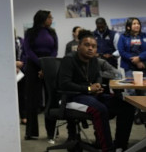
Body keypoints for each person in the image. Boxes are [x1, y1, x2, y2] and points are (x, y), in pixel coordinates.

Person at [59, 30, 134, 152]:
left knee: (126, 106)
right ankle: (107, 149)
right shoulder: (68, 59)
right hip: (72, 97)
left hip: (90, 96)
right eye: (87, 45)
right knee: (100, 109)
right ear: (78, 47)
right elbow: (65, 84)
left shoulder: (93, 60)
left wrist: (98, 85)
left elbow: (98, 75)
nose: (90, 49)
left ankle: (120, 145)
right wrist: (89, 88)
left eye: (93, 46)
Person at [23, 10, 57, 142]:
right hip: (33, 66)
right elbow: (28, 50)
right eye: (49, 17)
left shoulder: (52, 32)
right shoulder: (30, 32)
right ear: (42, 18)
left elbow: (55, 49)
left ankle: (52, 132)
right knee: (32, 100)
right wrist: (40, 64)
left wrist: (47, 65)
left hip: (49, 66)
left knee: (51, 99)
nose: (51, 19)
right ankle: (31, 132)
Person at [15, 31, 27, 125]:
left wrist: (20, 64)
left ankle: (23, 116)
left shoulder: (21, 41)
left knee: (22, 95)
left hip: (21, 71)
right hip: (8, 71)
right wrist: (13, 64)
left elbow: (26, 54)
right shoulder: (3, 42)